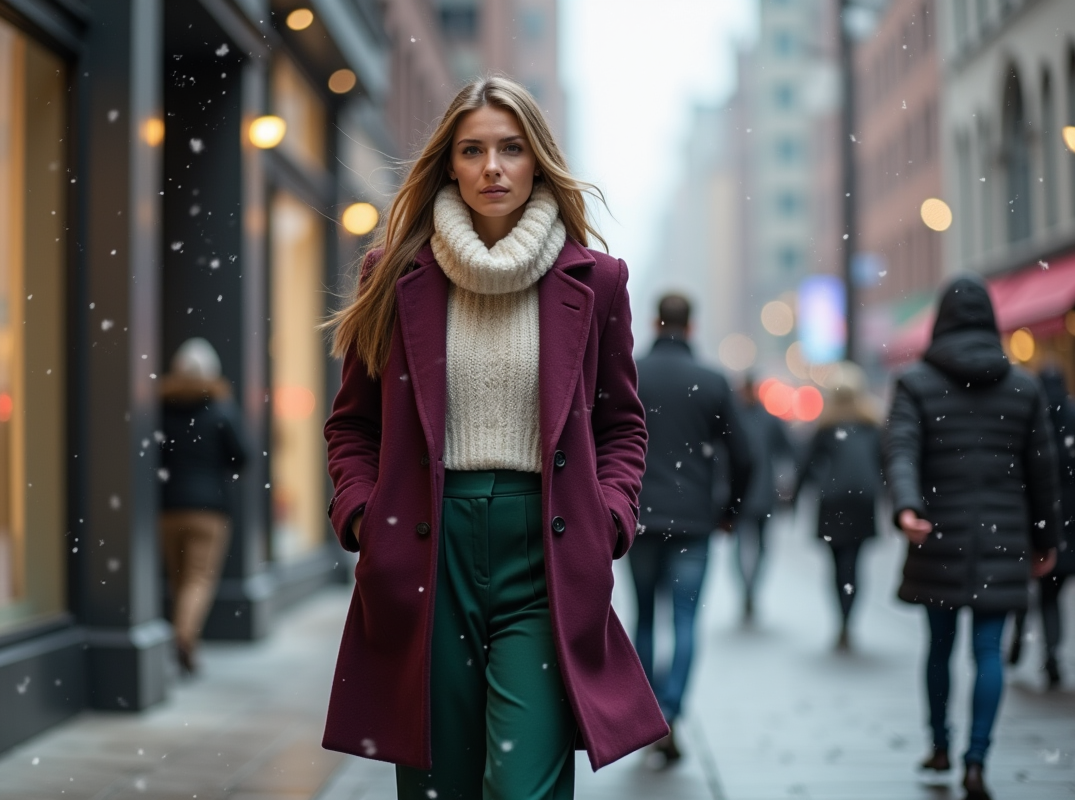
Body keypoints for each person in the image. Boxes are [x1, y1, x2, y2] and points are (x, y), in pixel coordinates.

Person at [321, 76, 664, 799]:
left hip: (545, 548)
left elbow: (620, 424)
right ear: (449, 162)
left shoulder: (596, 281)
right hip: (423, 545)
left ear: (537, 159)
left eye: (511, 148)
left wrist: (608, 519)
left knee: (523, 785)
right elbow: (353, 422)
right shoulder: (392, 275)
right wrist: (360, 514)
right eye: (472, 150)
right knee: (438, 783)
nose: (493, 168)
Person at [884, 277, 1060, 800]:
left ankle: (939, 744)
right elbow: (1042, 471)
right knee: (988, 649)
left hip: (938, 534)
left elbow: (901, 449)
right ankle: (977, 760)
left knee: (939, 647)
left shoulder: (915, 383)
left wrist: (909, 506)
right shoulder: (1023, 387)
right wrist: (1044, 537)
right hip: (1003, 537)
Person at [629, 293, 752, 765]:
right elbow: (744, 455)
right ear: (692, 326)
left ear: (656, 322)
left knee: (644, 616)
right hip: (694, 519)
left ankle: (644, 715)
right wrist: (729, 510)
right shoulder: (712, 381)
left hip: (639, 516)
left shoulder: (632, 373)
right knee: (685, 619)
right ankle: (670, 711)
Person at [159, 337, 247, 675]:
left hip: (169, 507)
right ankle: (185, 637)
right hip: (210, 509)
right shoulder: (222, 409)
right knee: (199, 578)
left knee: (179, 578)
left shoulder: (162, 409)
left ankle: (184, 638)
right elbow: (243, 455)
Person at [793, 362, 882, 651]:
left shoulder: (826, 426)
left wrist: (793, 497)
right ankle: (849, 616)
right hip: (862, 501)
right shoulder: (872, 425)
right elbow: (886, 463)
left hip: (833, 502)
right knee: (855, 563)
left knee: (836, 565)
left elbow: (807, 464)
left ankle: (841, 617)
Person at [1008, 367, 1075, 688]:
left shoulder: (1030, 418)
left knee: (1031, 588)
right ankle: (1051, 653)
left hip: (1034, 512)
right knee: (1054, 591)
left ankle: (1019, 642)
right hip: (1074, 517)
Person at [735, 375, 796, 622]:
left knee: (755, 547)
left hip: (752, 494)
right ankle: (748, 589)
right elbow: (788, 451)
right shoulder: (762, 419)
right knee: (750, 547)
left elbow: (788, 451)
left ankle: (750, 589)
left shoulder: (748, 418)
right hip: (749, 494)